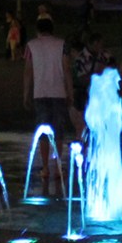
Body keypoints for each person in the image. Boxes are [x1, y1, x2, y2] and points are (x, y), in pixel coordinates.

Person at [22, 12, 74, 153]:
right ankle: (57, 166)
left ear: (37, 28)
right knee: (58, 130)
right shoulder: (62, 45)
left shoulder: (31, 46)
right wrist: (70, 92)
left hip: (40, 93)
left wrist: (26, 94)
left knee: (43, 131)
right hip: (58, 92)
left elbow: (28, 72)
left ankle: (45, 166)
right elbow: (67, 70)